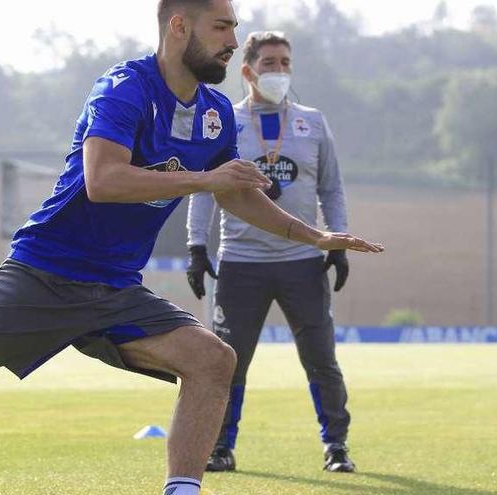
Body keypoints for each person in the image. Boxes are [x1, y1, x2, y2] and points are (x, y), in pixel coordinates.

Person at [0, 3, 382, 494]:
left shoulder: (217, 112)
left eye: (235, 26)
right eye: (222, 26)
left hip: (113, 291)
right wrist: (204, 179)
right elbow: (104, 181)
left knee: (213, 361)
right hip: (41, 274)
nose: (231, 38)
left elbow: (239, 197)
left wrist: (316, 236)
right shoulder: (123, 89)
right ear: (178, 26)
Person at [186, 31, 358, 474]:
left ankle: (336, 446)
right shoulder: (223, 120)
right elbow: (205, 189)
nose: (279, 71)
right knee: (228, 361)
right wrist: (196, 244)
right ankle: (221, 445)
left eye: (285, 62)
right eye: (269, 63)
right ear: (247, 71)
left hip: (302, 262)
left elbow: (331, 187)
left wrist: (338, 242)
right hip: (242, 263)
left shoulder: (312, 122)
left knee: (321, 358)